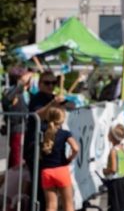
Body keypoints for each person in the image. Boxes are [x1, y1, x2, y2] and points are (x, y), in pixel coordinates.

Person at [23, 71, 75, 211]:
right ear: (40, 84)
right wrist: (53, 103)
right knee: (40, 190)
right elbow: (37, 115)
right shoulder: (37, 99)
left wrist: (65, 102)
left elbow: (72, 107)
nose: (50, 86)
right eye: (47, 83)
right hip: (36, 149)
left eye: (53, 83)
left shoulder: (54, 97)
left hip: (50, 151)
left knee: (51, 196)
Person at [41, 107, 79, 211]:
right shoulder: (65, 133)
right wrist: (70, 158)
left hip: (46, 171)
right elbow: (75, 148)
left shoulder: (43, 132)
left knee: (50, 205)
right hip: (61, 169)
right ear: (62, 119)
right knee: (68, 204)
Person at [3, 67, 33, 168]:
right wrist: (21, 83)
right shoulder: (12, 91)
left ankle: (11, 174)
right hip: (17, 128)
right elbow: (8, 99)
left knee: (18, 153)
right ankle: (14, 174)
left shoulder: (24, 93)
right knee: (17, 155)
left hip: (23, 127)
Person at [103, 124, 124, 211]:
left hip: (116, 183)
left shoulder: (113, 151)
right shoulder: (122, 148)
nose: (107, 135)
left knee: (115, 207)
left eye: (109, 134)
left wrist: (105, 171)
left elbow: (113, 169)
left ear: (112, 137)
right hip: (123, 180)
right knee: (121, 206)